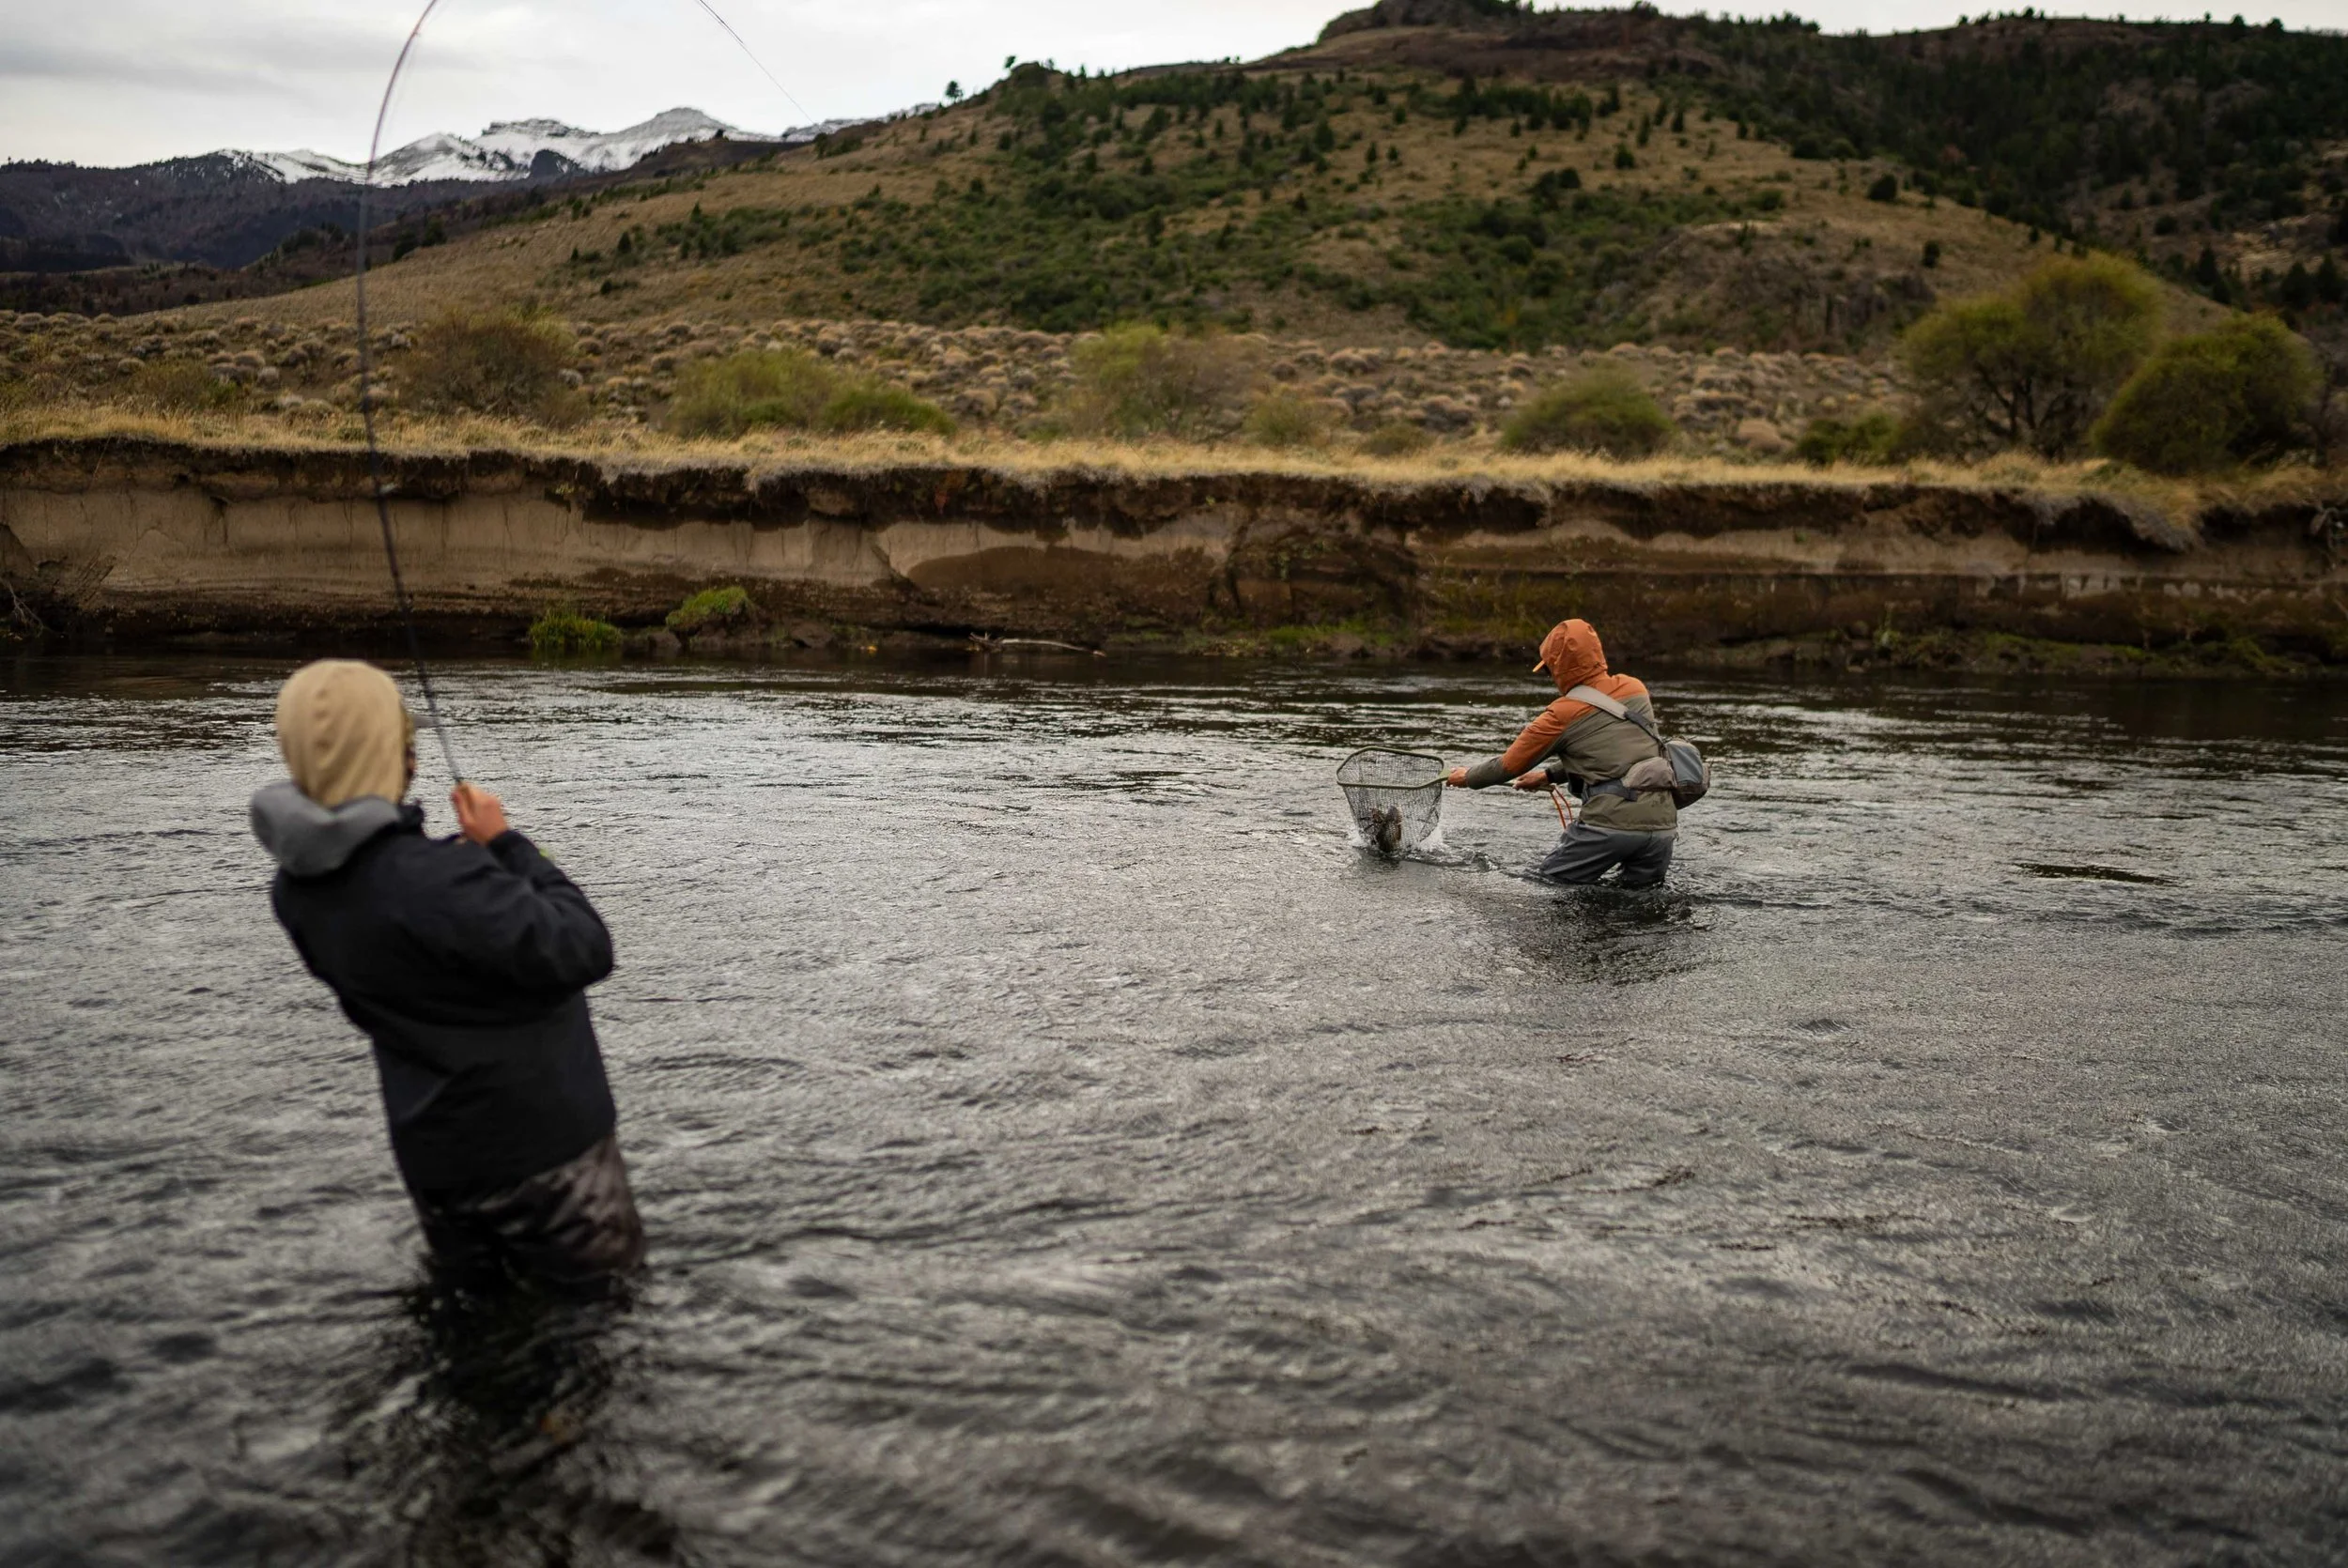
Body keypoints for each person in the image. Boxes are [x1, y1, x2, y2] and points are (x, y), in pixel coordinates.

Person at [250, 659, 643, 1288]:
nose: (412, 760)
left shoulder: (296, 892)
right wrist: (508, 847)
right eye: (404, 746)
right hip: (548, 1165)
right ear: (387, 758)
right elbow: (586, 944)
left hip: (438, 1166)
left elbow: (414, 926)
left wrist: (469, 880)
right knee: (596, 1334)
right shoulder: (443, 881)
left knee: (475, 1334)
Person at [1447, 619, 1679, 887]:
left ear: (1559, 668)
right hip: (1663, 827)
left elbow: (1507, 767)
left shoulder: (1561, 713)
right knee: (1638, 904)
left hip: (1609, 826)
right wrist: (1549, 775)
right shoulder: (1635, 688)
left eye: (1549, 671)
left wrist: (1466, 777)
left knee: (1548, 883)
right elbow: (1622, 757)